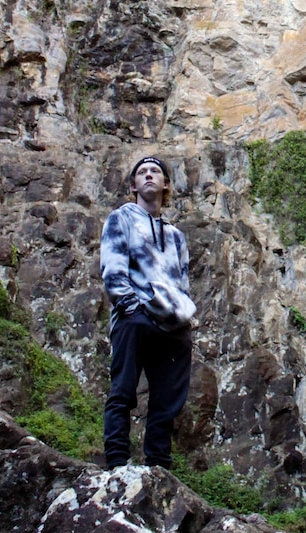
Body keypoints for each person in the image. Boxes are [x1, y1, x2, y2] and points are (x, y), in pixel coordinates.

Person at [100, 156, 197, 470]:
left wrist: (184, 319)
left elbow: (181, 283)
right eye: (141, 173)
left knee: (168, 401)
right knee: (123, 390)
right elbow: (112, 268)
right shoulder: (121, 219)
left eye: (155, 171)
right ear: (133, 185)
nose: (149, 176)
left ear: (166, 184)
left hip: (172, 326)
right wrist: (131, 307)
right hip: (135, 317)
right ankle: (116, 463)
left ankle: (158, 467)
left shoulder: (176, 236)